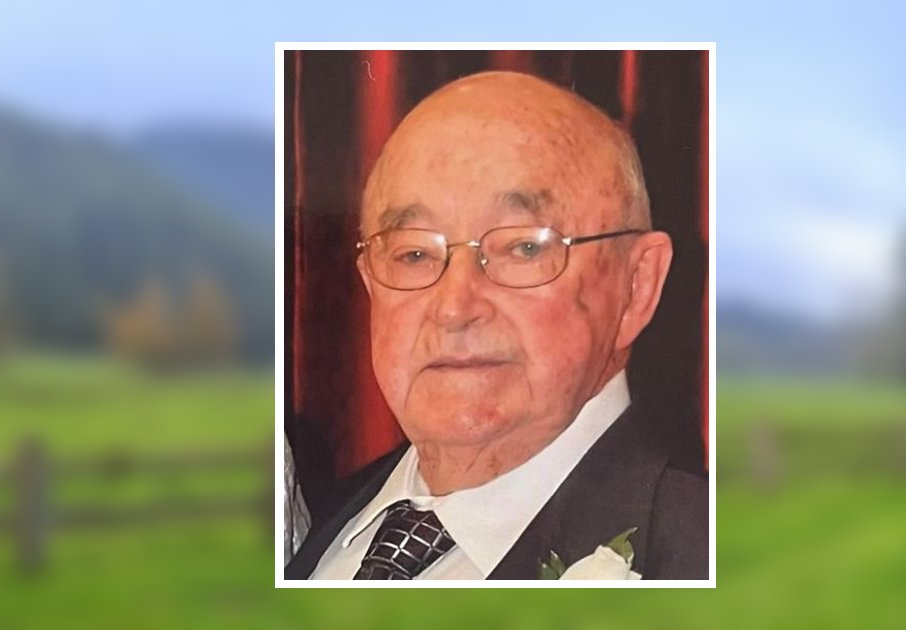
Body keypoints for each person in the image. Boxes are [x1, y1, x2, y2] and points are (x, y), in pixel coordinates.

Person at [286, 70, 708, 580]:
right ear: (370, 283)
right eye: (414, 254)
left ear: (637, 285)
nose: (454, 307)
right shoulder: (312, 523)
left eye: (523, 247)